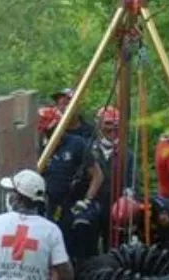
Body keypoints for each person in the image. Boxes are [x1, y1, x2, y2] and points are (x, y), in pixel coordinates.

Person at [38, 106, 103, 264]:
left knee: (75, 244)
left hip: (73, 205)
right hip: (49, 206)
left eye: (53, 129)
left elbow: (97, 175)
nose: (50, 134)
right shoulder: (40, 148)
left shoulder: (77, 144)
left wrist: (86, 201)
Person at [93, 106, 135, 250]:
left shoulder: (126, 154)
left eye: (115, 126)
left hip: (115, 208)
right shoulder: (89, 149)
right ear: (99, 125)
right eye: (108, 125)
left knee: (113, 247)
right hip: (93, 205)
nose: (112, 131)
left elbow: (132, 181)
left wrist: (128, 198)